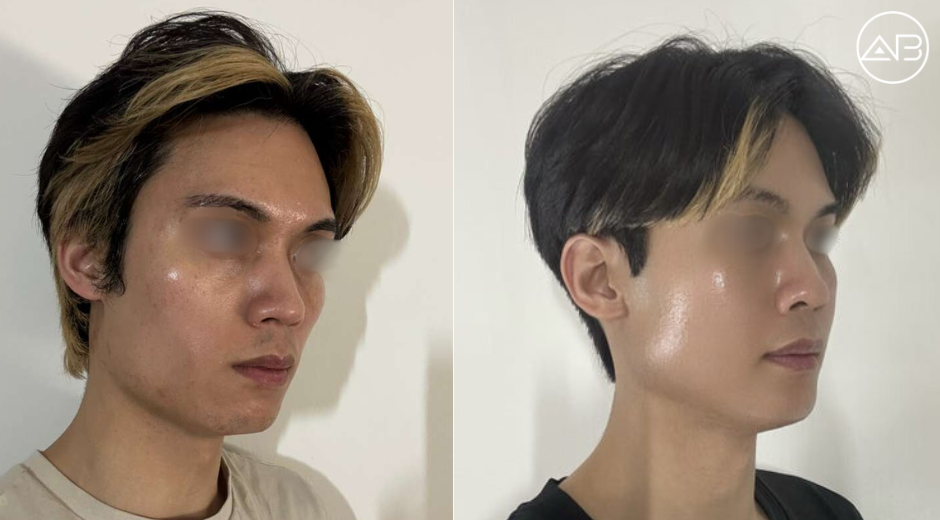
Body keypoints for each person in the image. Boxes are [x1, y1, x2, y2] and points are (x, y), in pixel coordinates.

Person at [0, 9, 381, 520]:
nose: (289, 305)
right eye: (227, 234)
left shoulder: (307, 508)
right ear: (89, 260)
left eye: (308, 251)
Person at [508, 36, 879, 520]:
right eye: (751, 232)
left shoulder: (827, 513)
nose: (813, 288)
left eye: (819, 237)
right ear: (599, 280)